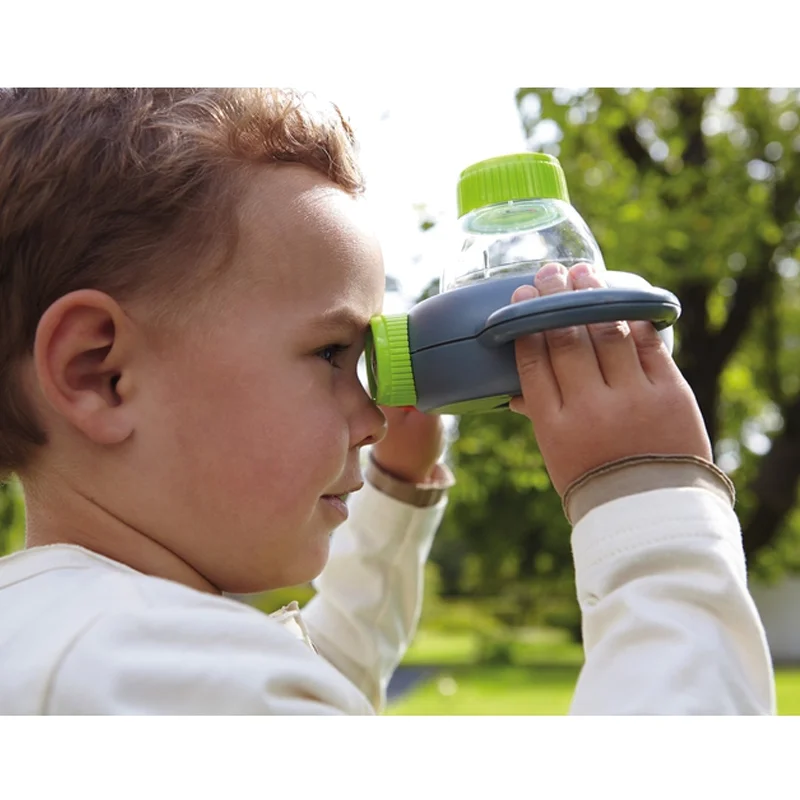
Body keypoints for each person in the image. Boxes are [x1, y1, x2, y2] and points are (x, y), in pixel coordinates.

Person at [0, 88, 773, 715]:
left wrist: (397, 493)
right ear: (99, 373)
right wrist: (651, 510)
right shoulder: (153, 672)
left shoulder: (86, 648)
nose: (371, 418)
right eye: (332, 353)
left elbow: (317, 677)